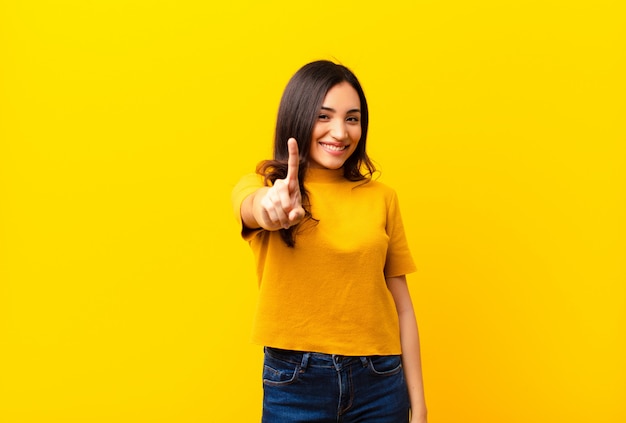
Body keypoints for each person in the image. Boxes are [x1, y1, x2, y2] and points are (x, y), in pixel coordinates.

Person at [231, 60, 427, 423]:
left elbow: (402, 307)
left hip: (381, 382)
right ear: (298, 117)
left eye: (352, 118)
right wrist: (270, 208)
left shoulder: (382, 198)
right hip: (294, 382)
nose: (340, 132)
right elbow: (253, 208)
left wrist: (420, 406)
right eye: (324, 116)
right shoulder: (262, 187)